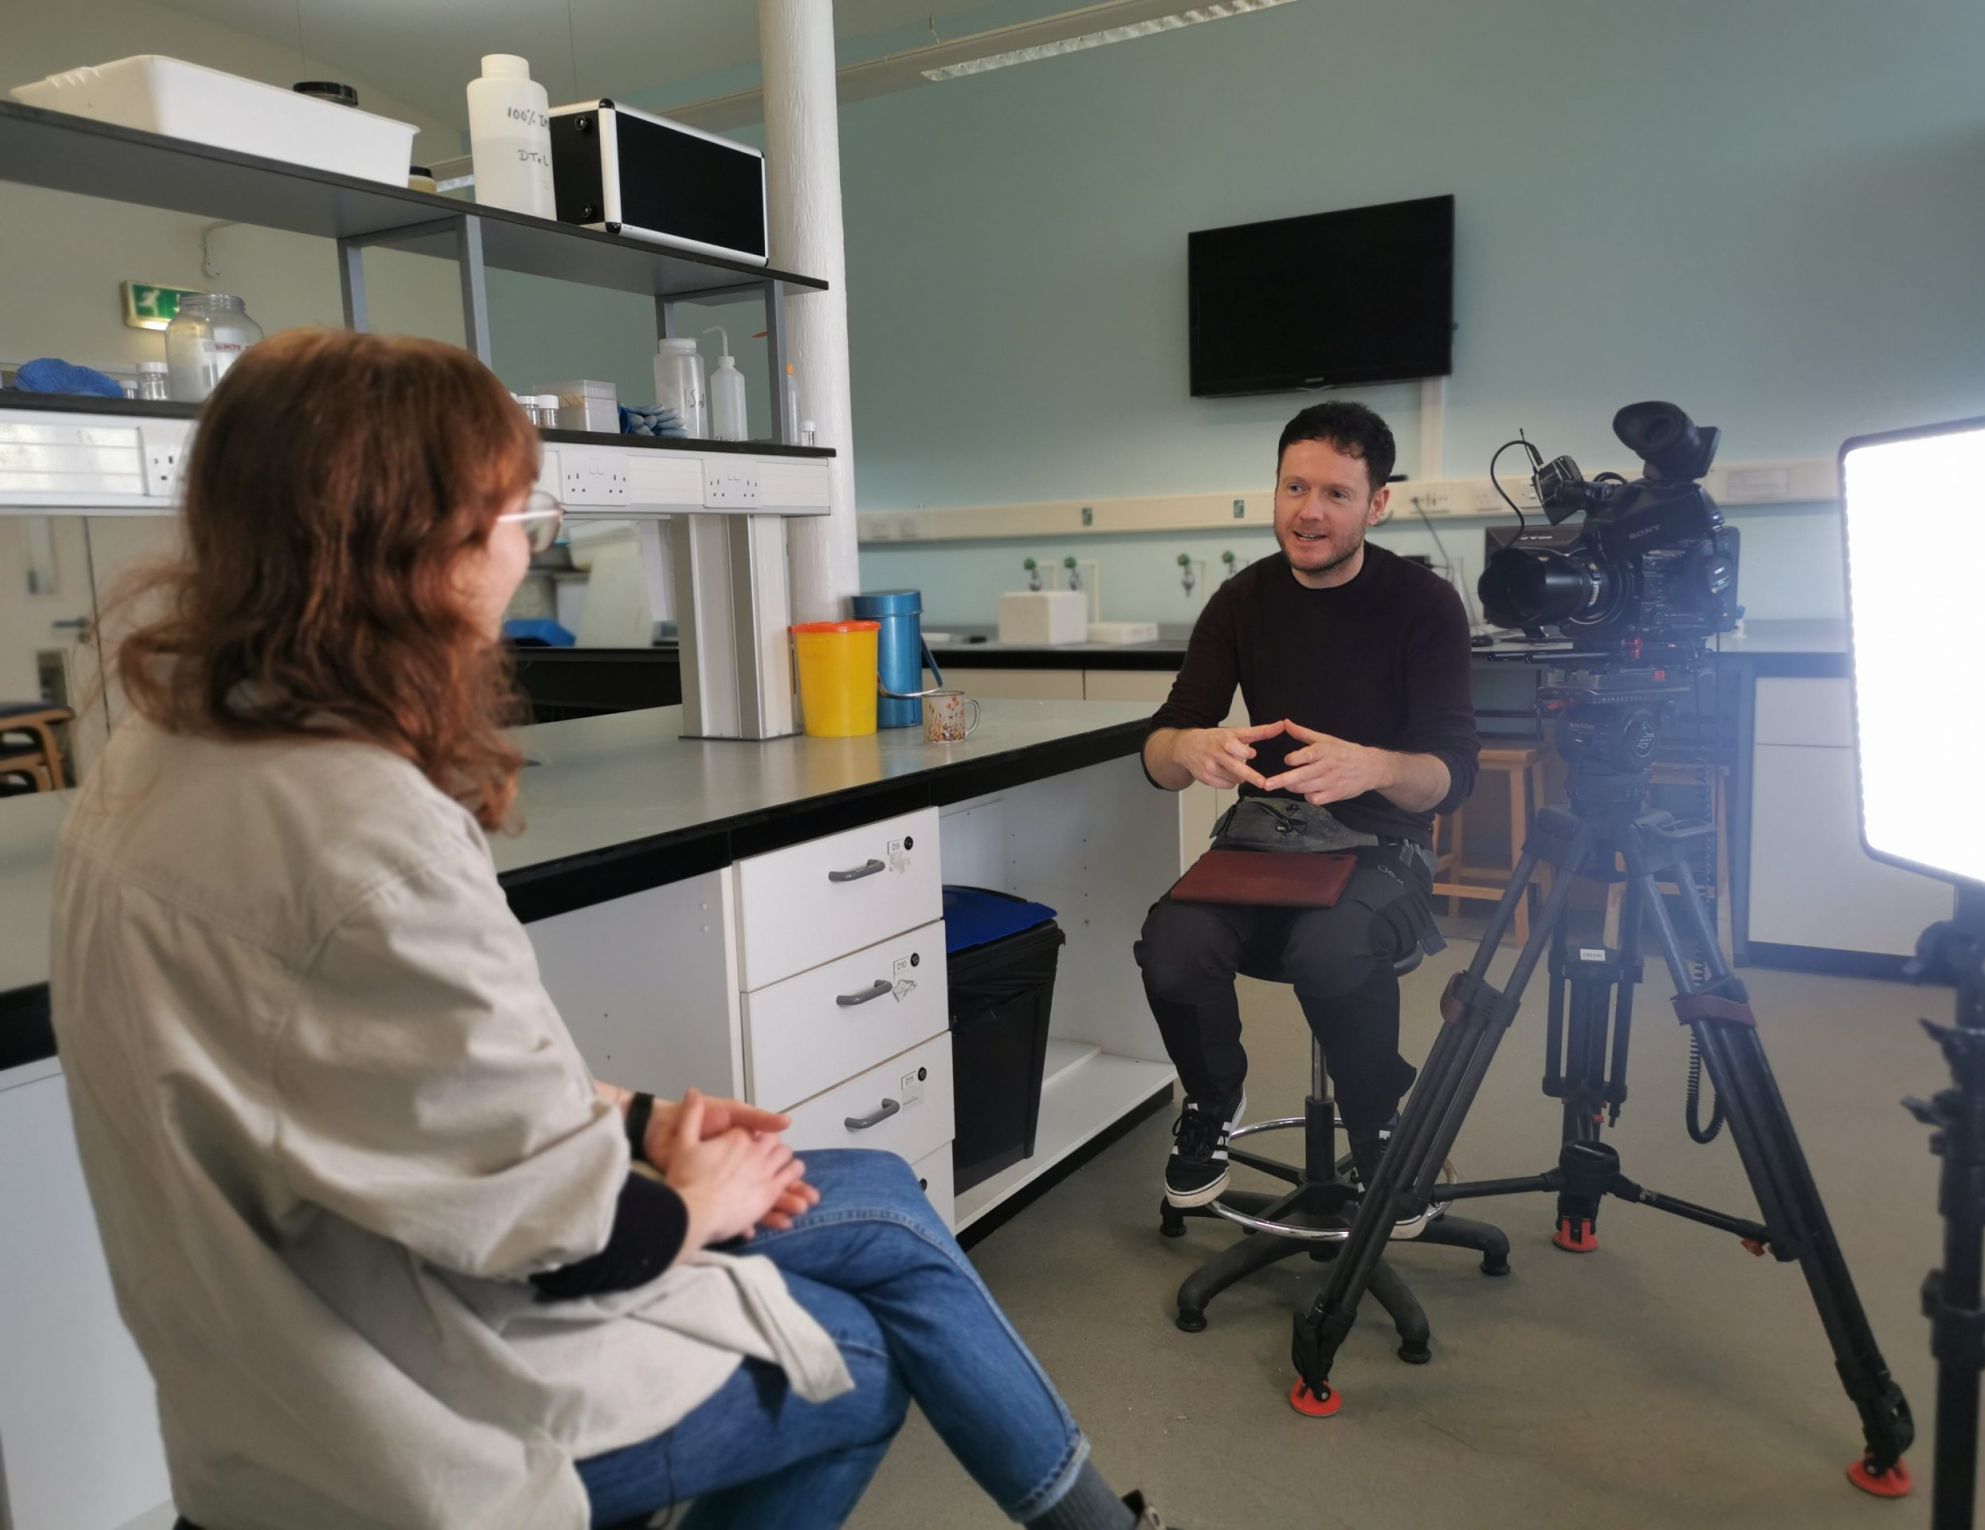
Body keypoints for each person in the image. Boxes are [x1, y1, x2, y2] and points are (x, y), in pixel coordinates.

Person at [49, 329, 1174, 1530]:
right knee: (851, 1354)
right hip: (405, 1418)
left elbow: (394, 1091)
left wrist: (640, 1120)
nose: (525, 554)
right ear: (414, 550)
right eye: (511, 520)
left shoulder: (147, 764)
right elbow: (571, 1246)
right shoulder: (367, 834)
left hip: (270, 1365)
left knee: (888, 1200)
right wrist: (694, 1197)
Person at [1135, 400, 1479, 1209]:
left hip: (1382, 849)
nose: (1309, 513)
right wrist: (1188, 748)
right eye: (1295, 488)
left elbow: (1452, 775)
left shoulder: (1423, 606)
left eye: (1335, 494)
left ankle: (1374, 1122)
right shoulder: (1242, 600)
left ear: (1377, 504)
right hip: (1262, 844)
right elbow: (1160, 751)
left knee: (1328, 951)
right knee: (1170, 947)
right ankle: (1213, 1102)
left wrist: (1374, 767)